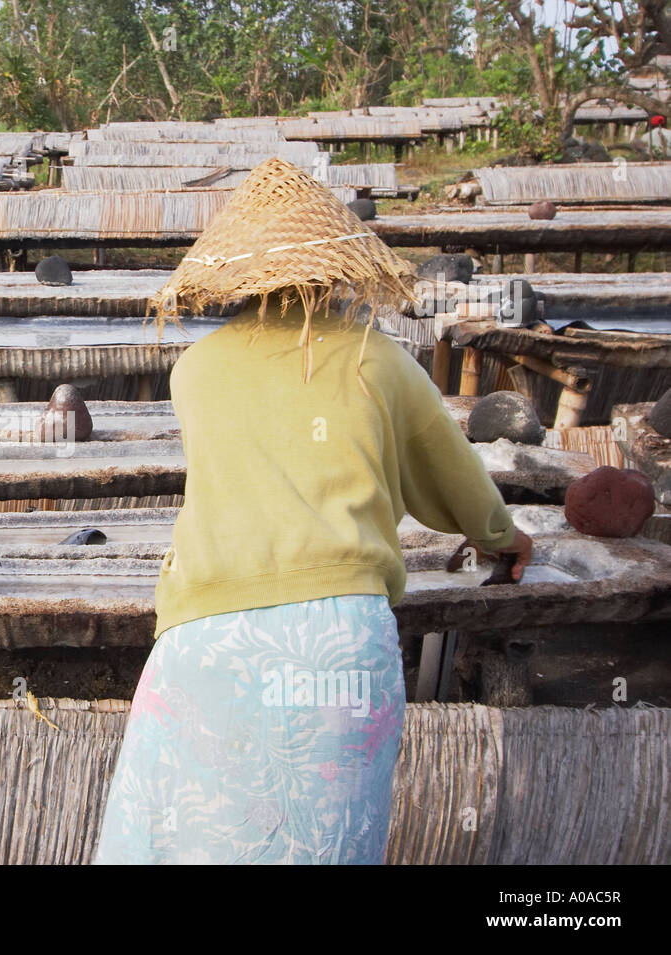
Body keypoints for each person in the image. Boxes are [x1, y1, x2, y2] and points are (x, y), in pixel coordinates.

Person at [93, 158, 533, 865]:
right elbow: (451, 474)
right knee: (322, 844)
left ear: (234, 273)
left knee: (176, 836)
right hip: (337, 639)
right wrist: (502, 536)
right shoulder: (377, 360)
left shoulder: (194, 371)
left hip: (207, 631)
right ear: (335, 268)